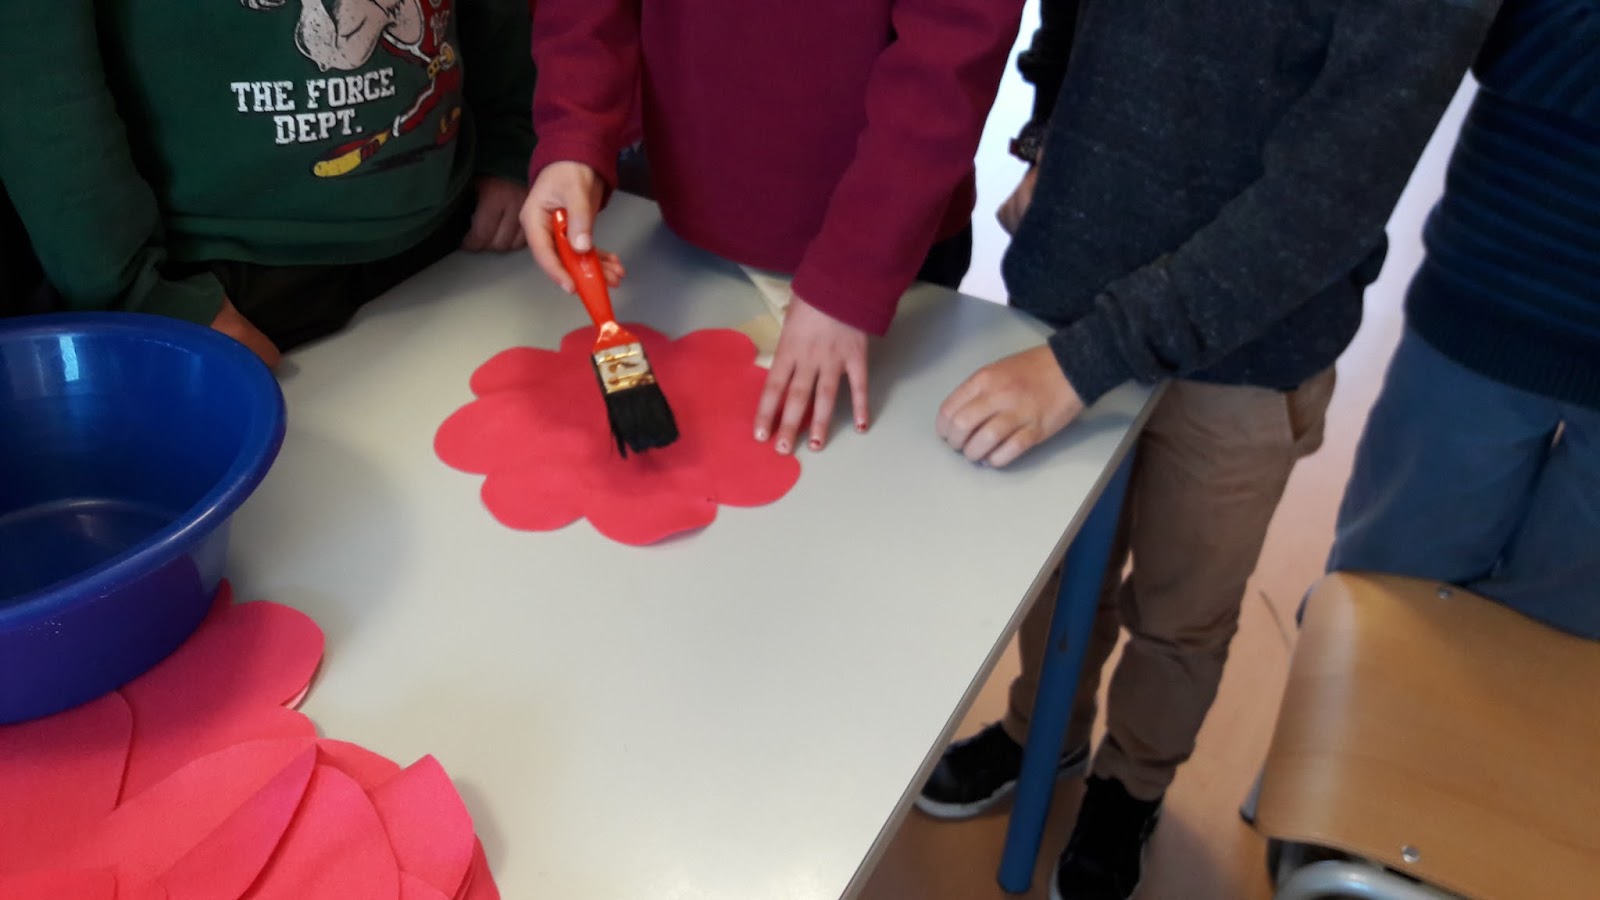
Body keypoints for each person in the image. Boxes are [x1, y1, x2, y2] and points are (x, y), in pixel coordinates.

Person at [918, 2, 1501, 898]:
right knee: (1060, 572)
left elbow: (1327, 197)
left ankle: (1131, 786)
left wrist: (1090, 359)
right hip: (1077, 276)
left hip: (1252, 346)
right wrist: (1046, 130)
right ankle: (1043, 731)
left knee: (1183, 607)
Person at [521, 0, 1025, 455]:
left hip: (884, 235)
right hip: (682, 207)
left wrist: (852, 272)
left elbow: (951, 51)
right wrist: (573, 131)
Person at [0, 0, 537, 367]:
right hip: (226, 286)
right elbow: (36, 74)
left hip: (456, 222)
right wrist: (141, 297)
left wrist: (510, 142)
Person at [1329, 0, 1600, 641]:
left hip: (1491, 286)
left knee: (1557, 665)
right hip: (1492, 300)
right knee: (1381, 618)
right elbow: (1503, 29)